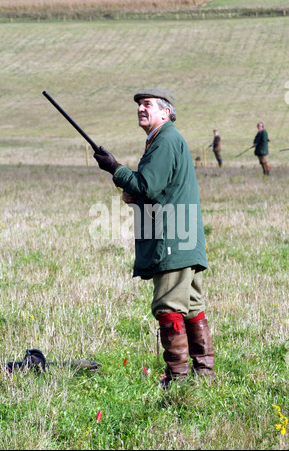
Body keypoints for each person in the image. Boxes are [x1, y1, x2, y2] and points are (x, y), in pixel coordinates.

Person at [93, 88, 215, 389]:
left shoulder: (166, 139)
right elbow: (156, 190)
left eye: (147, 104)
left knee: (169, 307)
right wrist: (132, 191)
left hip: (172, 238)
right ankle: (204, 376)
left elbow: (148, 185)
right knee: (191, 306)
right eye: (138, 105)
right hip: (183, 238)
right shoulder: (164, 140)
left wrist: (115, 168)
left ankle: (178, 379)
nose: (140, 109)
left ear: (165, 112)